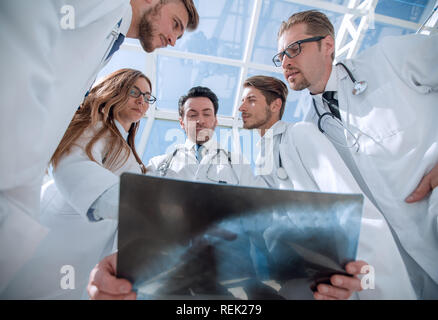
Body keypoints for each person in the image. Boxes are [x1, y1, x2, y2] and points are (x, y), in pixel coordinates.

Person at [0, 0, 199, 292]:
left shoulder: (104, 42)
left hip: (78, 262)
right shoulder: (106, 5)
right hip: (48, 237)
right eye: (175, 24)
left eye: (148, 97)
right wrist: (142, 204)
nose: (172, 39)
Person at [274, 10, 438, 299]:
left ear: (328, 46)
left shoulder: (389, 59)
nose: (285, 61)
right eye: (280, 57)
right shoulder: (308, 135)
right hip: (401, 275)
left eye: (294, 49)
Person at [238, 75, 416, 300]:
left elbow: (352, 210)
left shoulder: (300, 133)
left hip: (331, 276)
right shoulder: (262, 159)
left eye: (250, 100)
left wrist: (381, 290)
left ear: (275, 105)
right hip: (294, 276)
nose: (240, 107)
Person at [1, 68, 155, 299]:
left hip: (87, 255)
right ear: (116, 89)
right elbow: (74, 164)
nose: (141, 100)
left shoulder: (130, 153)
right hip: (54, 241)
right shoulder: (94, 124)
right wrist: (140, 206)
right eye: (135, 91)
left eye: (147, 96)